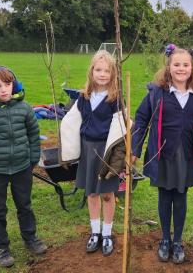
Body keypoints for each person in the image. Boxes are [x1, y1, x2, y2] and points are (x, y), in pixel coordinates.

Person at [132, 44, 193, 264]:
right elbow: (142, 119)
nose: (181, 69)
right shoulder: (157, 94)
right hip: (163, 154)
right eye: (177, 64)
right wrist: (135, 149)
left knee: (180, 198)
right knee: (165, 196)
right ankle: (165, 239)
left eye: (186, 65)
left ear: (191, 68)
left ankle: (178, 240)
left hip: (185, 155)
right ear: (169, 67)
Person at [0, 65, 47, 268]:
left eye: (8, 84)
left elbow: (33, 136)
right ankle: (1, 248)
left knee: (25, 206)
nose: (4, 89)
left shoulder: (25, 109)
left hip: (22, 167)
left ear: (15, 85)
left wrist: (32, 159)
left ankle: (30, 238)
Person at [72, 50, 122, 256]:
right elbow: (74, 122)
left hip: (106, 151)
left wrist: (120, 159)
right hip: (87, 149)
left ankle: (108, 233)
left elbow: (121, 129)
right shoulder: (84, 96)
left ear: (113, 74)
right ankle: (95, 232)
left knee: (107, 194)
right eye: (98, 70)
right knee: (92, 193)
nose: (102, 74)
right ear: (92, 72)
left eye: (107, 71)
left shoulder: (115, 99)